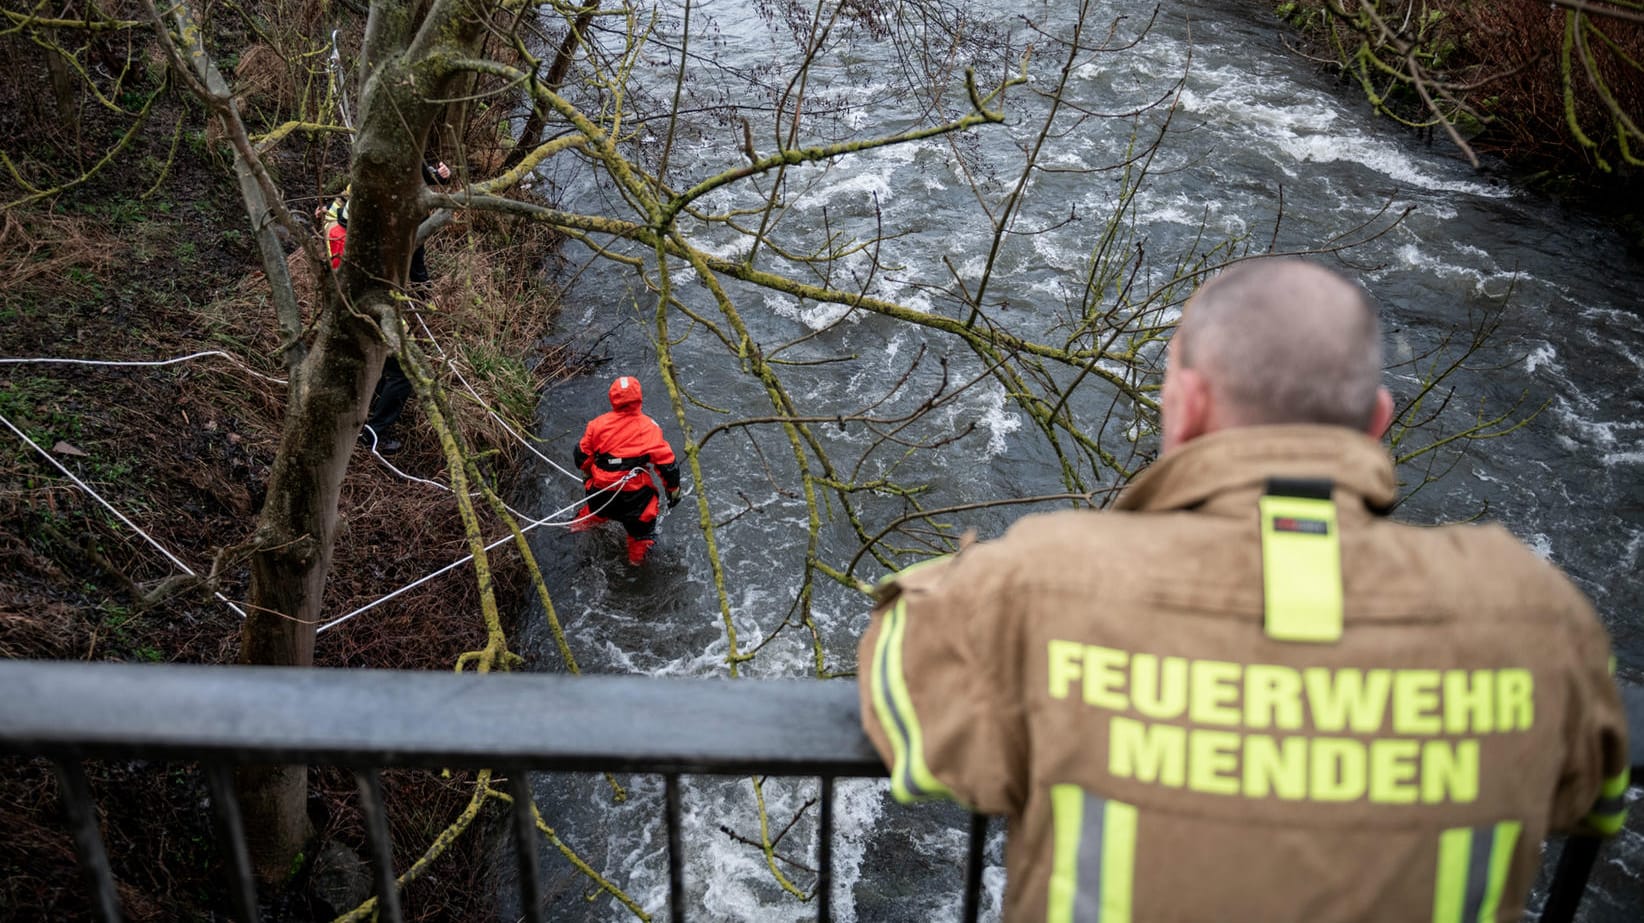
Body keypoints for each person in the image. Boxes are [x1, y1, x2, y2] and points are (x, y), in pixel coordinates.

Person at [857, 258, 1629, 922]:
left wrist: (962, 579)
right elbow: (1589, 798)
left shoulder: (1041, 581)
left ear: (1188, 405)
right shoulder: (1536, 613)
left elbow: (905, 704)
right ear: (1377, 422)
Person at [574, 375, 682, 565]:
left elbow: (582, 457)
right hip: (635, 500)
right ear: (639, 398)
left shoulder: (596, 425)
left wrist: (588, 474)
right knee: (642, 535)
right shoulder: (649, 427)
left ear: (612, 398)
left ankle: (573, 530)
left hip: (601, 493)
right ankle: (636, 565)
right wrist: (673, 492)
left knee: (593, 512)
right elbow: (667, 465)